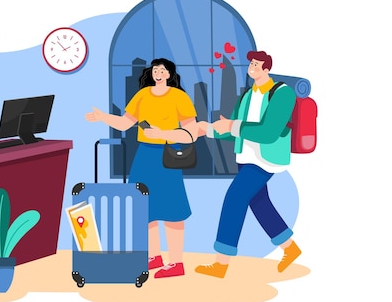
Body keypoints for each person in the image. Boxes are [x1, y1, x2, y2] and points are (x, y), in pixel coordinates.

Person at [86, 58, 203, 278]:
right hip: (144, 155)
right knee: (143, 208)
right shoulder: (141, 95)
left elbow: (192, 133)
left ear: (169, 74)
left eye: (162, 70)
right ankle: (154, 256)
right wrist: (103, 117)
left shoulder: (179, 97)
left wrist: (163, 134)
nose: (158, 73)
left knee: (172, 209)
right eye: (155, 70)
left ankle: (176, 262)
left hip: (168, 155)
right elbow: (124, 123)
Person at [195, 50, 301, 278]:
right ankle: (290, 248)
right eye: (250, 63)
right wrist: (209, 129)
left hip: (266, 159)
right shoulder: (246, 96)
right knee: (260, 203)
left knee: (234, 198)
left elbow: (269, 132)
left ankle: (221, 263)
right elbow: (233, 129)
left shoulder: (283, 94)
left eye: (256, 63)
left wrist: (232, 125)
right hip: (246, 158)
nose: (251, 66)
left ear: (266, 69)